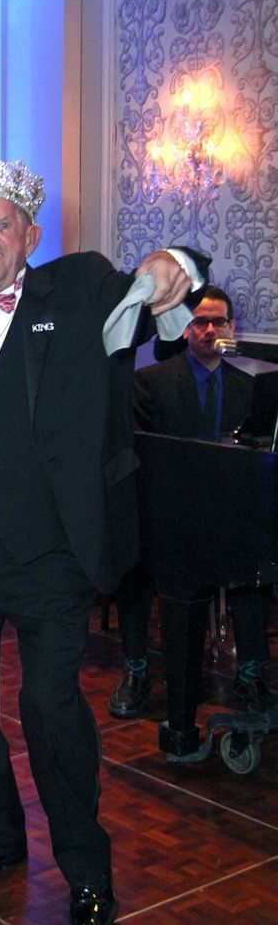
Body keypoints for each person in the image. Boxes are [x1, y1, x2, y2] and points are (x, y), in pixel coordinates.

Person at [0, 154, 206, 925]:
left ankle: (87, 870)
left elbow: (170, 278)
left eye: (4, 225)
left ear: (30, 234)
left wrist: (173, 266)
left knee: (49, 706)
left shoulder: (80, 295)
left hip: (53, 554)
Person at [110, 286, 270, 717]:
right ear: (185, 328)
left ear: (232, 328)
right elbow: (139, 457)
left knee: (255, 555)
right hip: (167, 517)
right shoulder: (150, 383)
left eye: (218, 321)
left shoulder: (250, 388)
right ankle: (137, 669)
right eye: (201, 321)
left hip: (226, 517)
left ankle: (252, 670)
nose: (210, 330)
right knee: (132, 562)